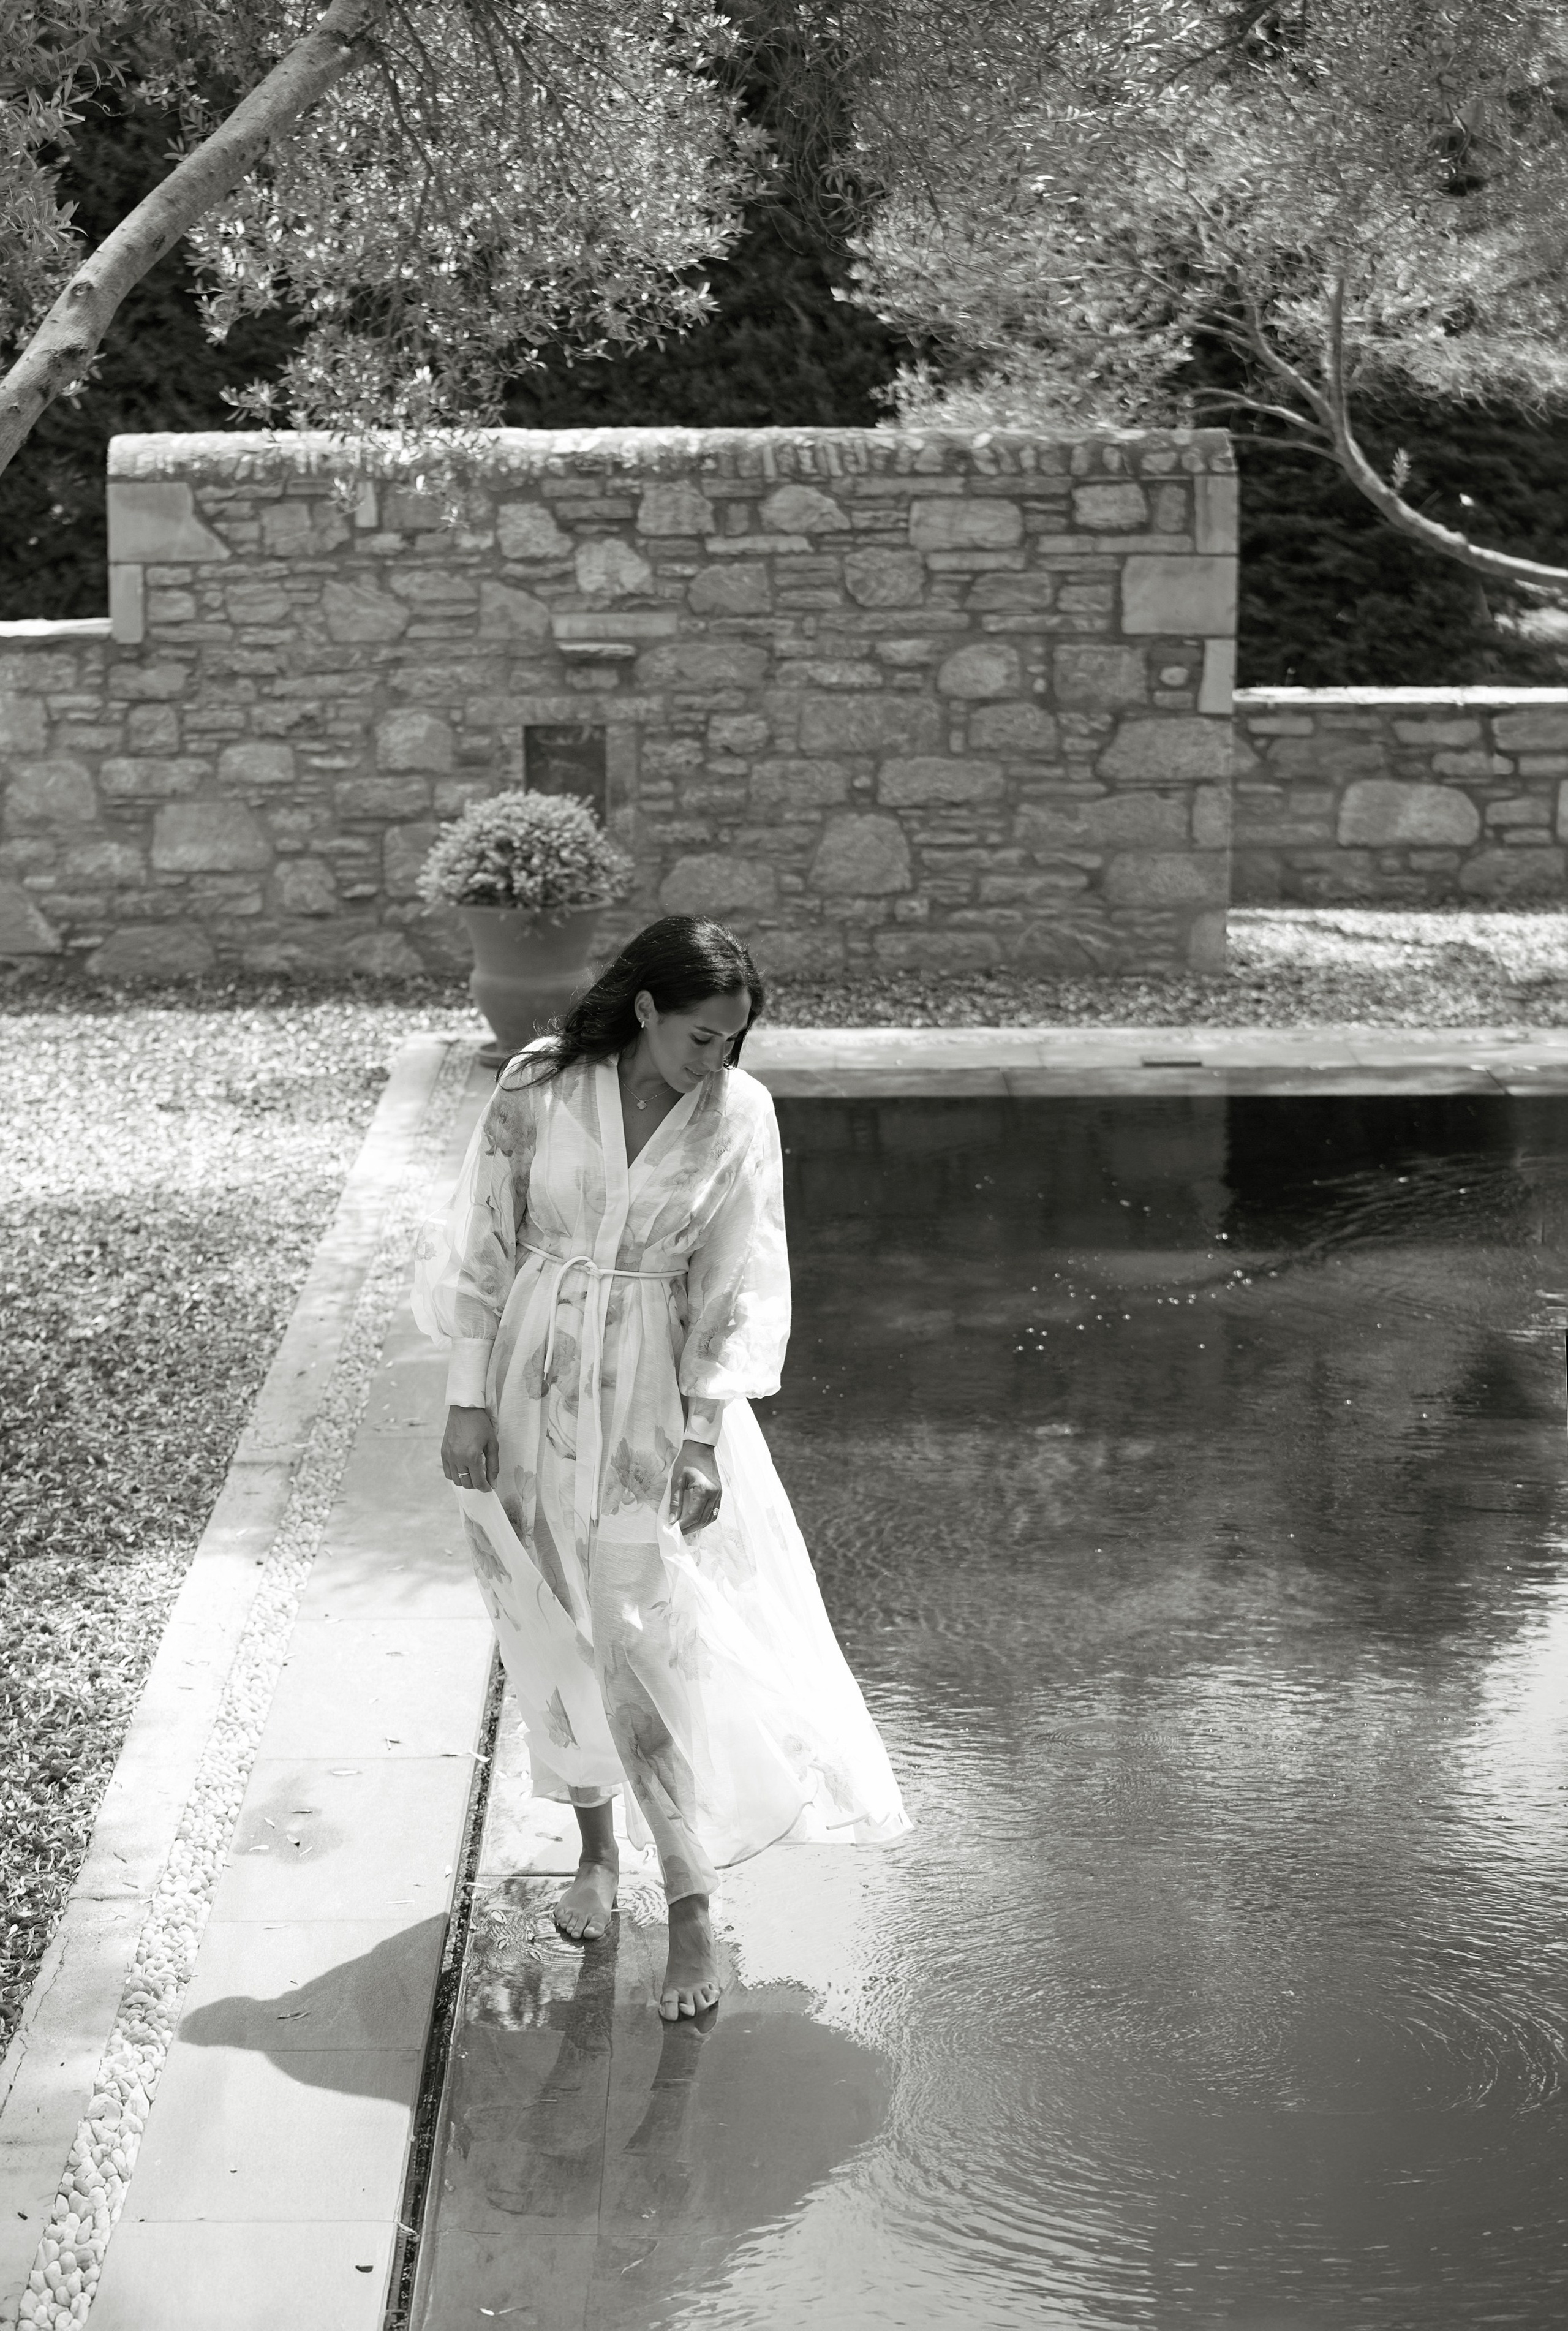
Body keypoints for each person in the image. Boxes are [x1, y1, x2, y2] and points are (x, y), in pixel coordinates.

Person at [412, 914, 910, 2020]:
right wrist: (462, 1400)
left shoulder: (741, 1115)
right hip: (528, 1378)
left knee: (646, 1633)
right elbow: (485, 1245)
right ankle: (595, 1851)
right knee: (542, 1619)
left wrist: (701, 1432)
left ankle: (690, 1898)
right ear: (645, 1008)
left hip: (646, 1390)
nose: (715, 1060)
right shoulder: (541, 1082)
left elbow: (742, 1278)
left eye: (732, 1040)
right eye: (699, 1036)